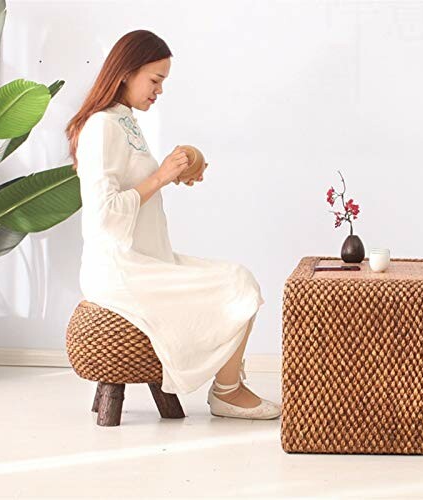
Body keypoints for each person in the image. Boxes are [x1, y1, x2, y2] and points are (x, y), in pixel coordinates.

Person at [65, 30, 280, 420]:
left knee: (238, 279)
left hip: (147, 258)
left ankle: (228, 387)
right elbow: (103, 214)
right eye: (155, 80)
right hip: (122, 269)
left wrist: (175, 174)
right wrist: (160, 177)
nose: (159, 91)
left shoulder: (125, 121)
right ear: (127, 73)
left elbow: (134, 186)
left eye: (163, 82)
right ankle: (228, 392)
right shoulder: (101, 126)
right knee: (237, 282)